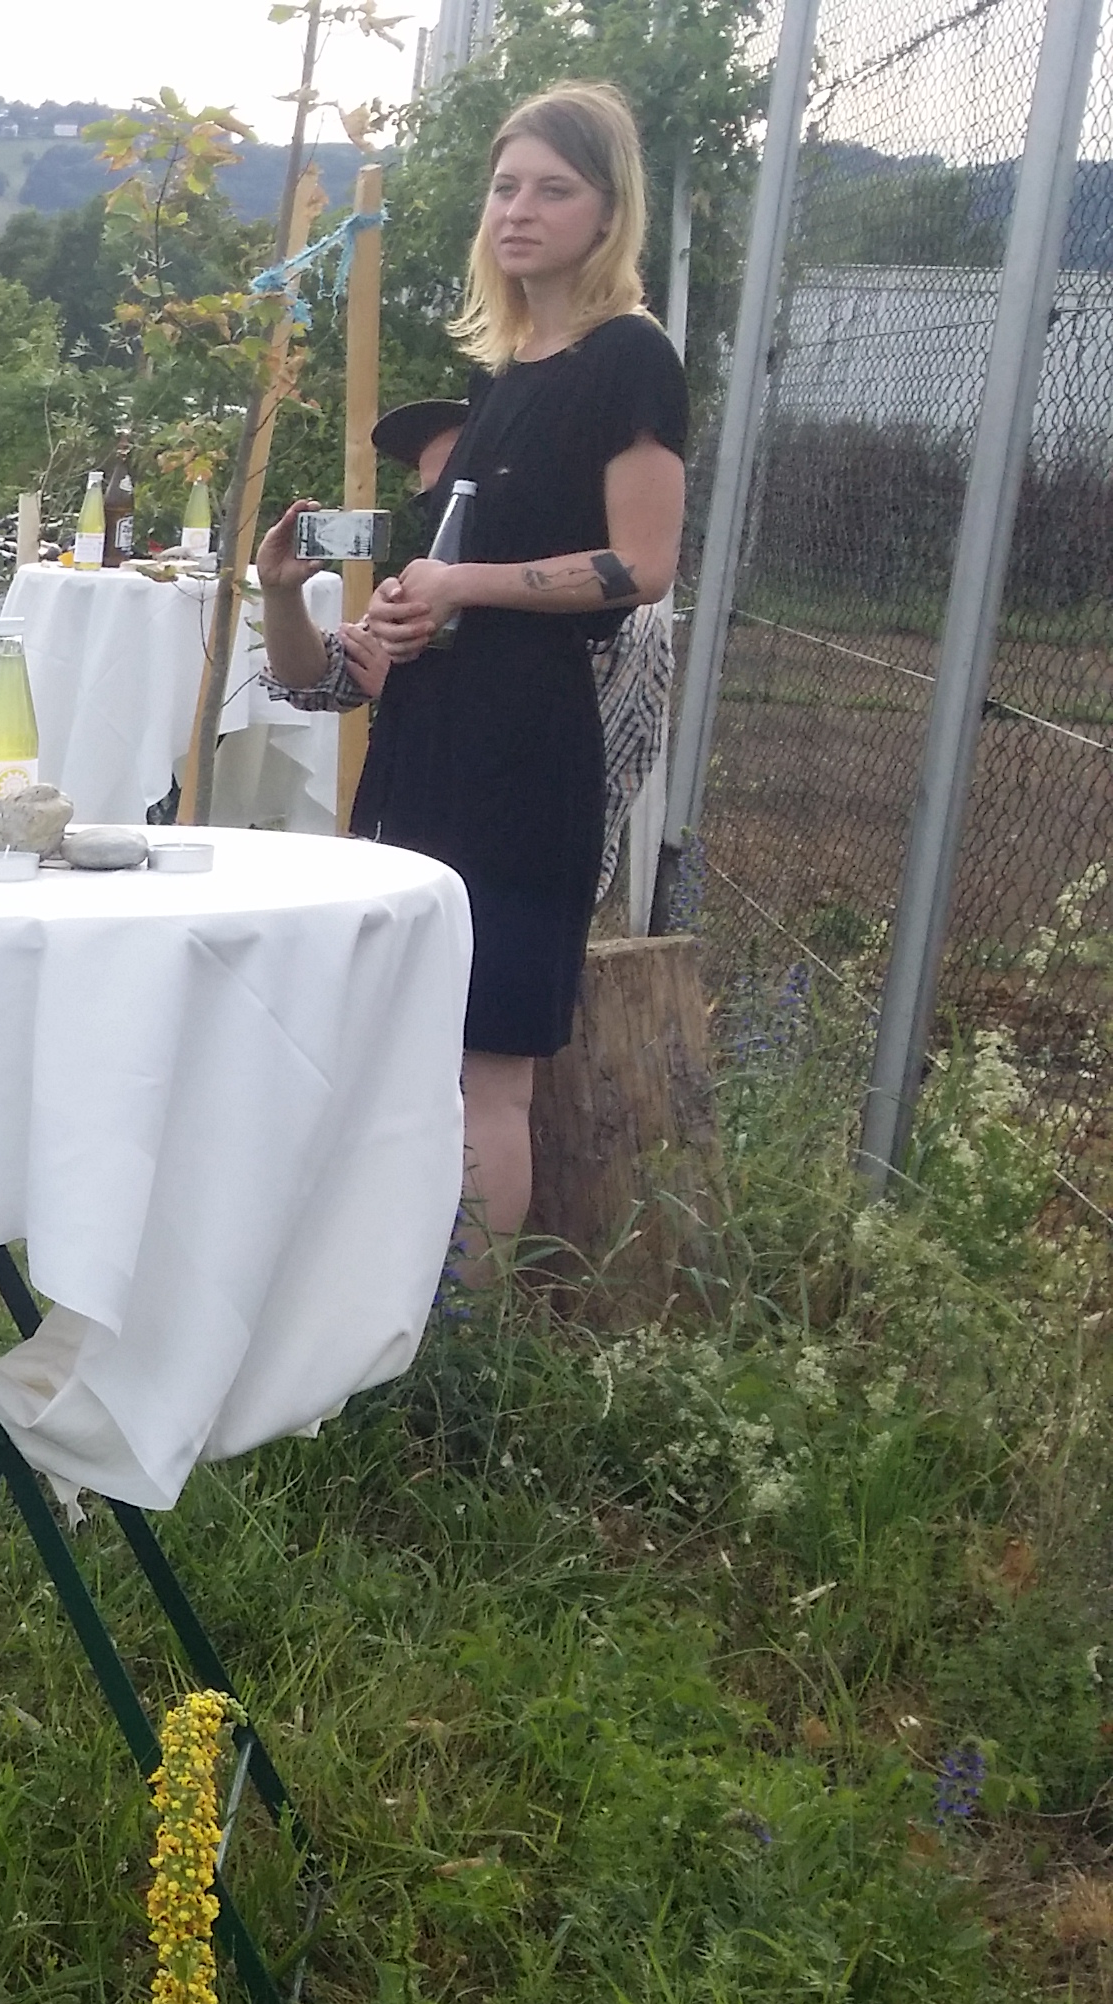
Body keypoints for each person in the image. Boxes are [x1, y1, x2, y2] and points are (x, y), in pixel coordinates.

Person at [251, 80, 688, 1251]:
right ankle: (396, 1306)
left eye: (556, 189)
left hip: (524, 759)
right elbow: (463, 580)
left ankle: (464, 1364)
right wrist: (407, 610)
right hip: (430, 748)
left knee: (489, 1076)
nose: (520, 210)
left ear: (609, 214)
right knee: (412, 1057)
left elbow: (640, 568)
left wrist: (461, 588)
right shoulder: (510, 377)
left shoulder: (628, 357)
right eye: (506, 187)